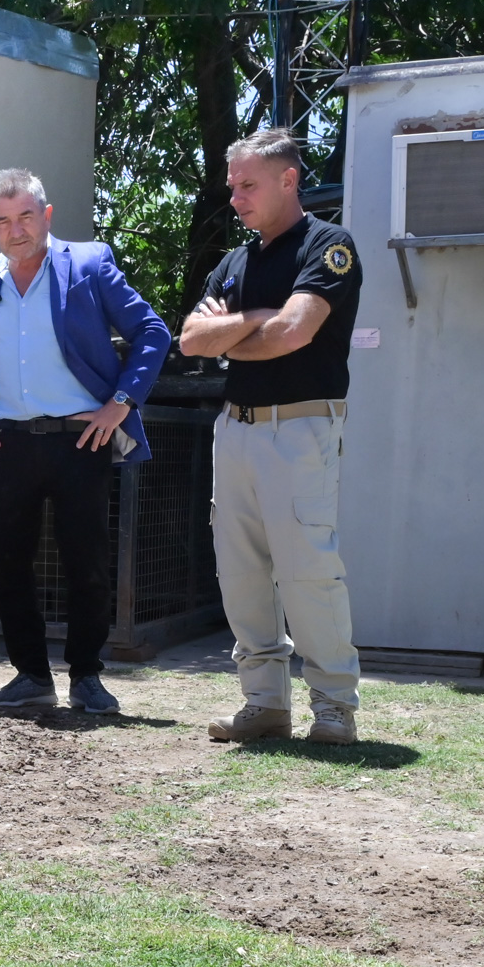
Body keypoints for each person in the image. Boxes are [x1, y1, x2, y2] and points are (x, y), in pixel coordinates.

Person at [0, 169, 172, 715]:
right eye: (2, 221)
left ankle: (87, 676)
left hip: (81, 441)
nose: (15, 230)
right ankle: (30, 676)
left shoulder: (89, 264)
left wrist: (122, 403)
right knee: (9, 562)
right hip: (7, 443)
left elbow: (152, 332)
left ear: (46, 215)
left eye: (24, 217)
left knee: (86, 561)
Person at [179, 129, 363, 745]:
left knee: (309, 571)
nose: (235, 198)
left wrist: (236, 330)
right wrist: (257, 318)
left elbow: (293, 333)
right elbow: (190, 341)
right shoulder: (235, 262)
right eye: (232, 186)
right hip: (234, 431)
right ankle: (264, 704)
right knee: (240, 573)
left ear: (289, 180)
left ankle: (334, 706)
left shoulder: (329, 246)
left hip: (301, 426)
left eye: (247, 185)